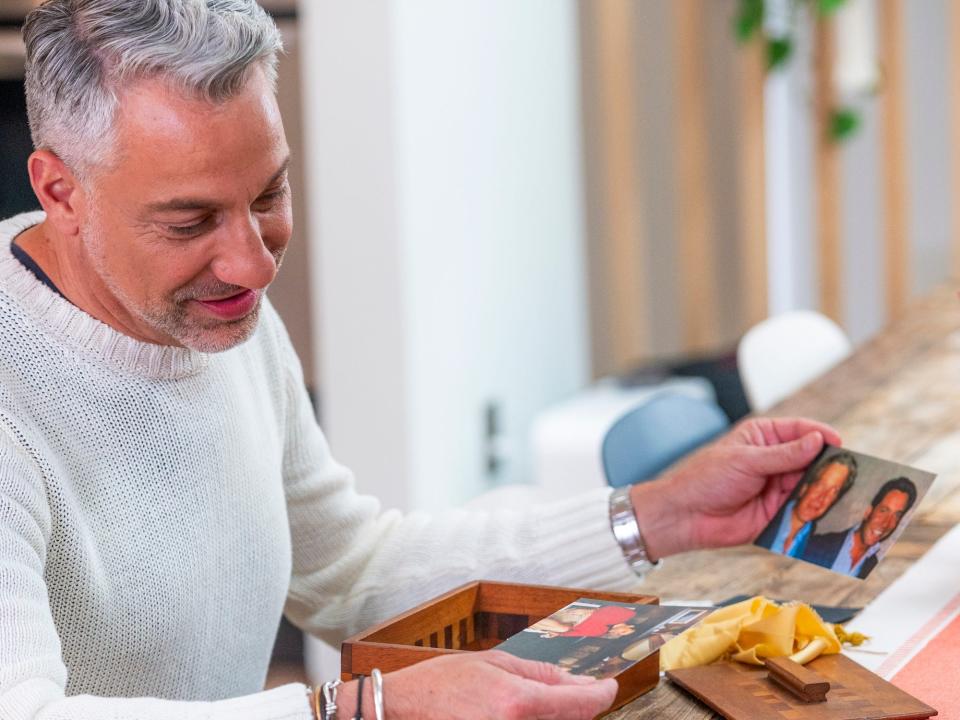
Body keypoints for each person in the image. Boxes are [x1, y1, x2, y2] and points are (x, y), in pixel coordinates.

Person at [0, 1, 841, 718]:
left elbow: (352, 568)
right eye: (189, 223)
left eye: (269, 195)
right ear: (59, 191)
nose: (253, 264)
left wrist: (658, 515)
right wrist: (365, 706)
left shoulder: (213, 312)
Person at [803, 477, 917, 578]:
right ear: (868, 512)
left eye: (896, 516)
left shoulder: (874, 570)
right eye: (883, 510)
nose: (885, 523)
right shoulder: (813, 544)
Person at [755, 451, 857, 557]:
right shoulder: (763, 516)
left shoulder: (815, 549)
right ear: (804, 488)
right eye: (820, 485)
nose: (821, 498)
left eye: (833, 493)